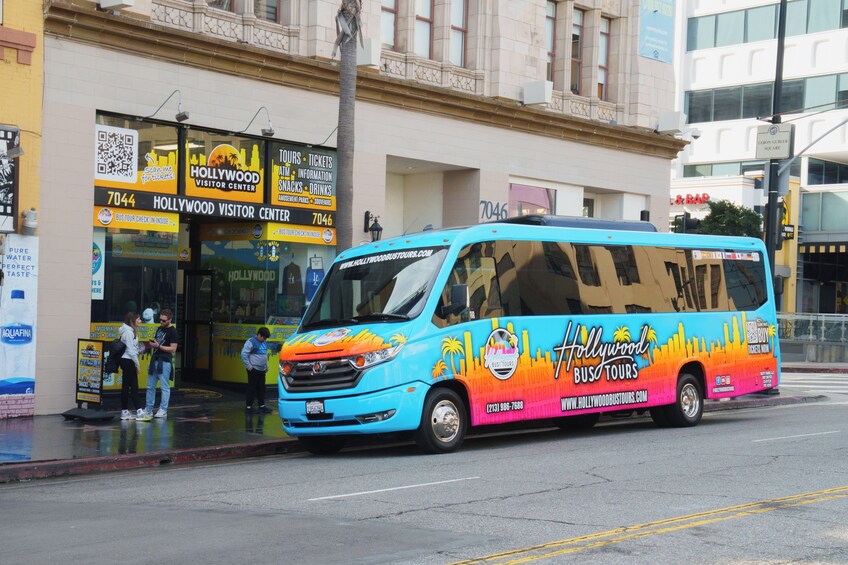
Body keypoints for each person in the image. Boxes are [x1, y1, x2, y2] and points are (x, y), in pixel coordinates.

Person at [139, 308, 178, 420]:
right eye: (160, 319)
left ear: (170, 320)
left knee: (164, 387)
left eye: (164, 320)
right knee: (150, 386)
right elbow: (157, 342)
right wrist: (152, 344)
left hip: (164, 361)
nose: (161, 322)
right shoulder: (160, 328)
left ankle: (163, 409)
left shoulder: (173, 331)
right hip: (155, 359)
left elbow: (173, 349)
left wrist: (159, 346)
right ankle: (148, 409)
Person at [118, 312, 145, 420]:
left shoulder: (129, 331)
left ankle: (125, 411)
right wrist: (137, 364)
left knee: (126, 386)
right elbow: (130, 350)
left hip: (127, 360)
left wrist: (139, 350)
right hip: (128, 361)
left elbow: (132, 348)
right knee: (133, 386)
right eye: (138, 319)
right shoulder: (129, 333)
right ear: (132, 321)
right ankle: (139, 411)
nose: (140, 321)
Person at [241, 327, 272, 413]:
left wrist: (266, 366)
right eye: (264, 337)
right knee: (252, 388)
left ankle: (262, 406)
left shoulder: (264, 342)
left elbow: (264, 355)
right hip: (253, 369)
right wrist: (249, 367)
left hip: (262, 370)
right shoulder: (251, 341)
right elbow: (244, 354)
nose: (264, 339)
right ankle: (248, 407)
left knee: (261, 388)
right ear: (259, 335)